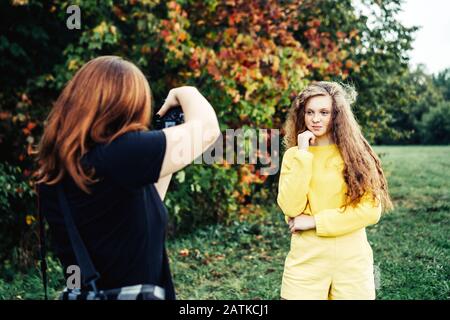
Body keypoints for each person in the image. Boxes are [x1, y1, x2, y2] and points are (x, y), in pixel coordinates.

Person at [35, 55, 220, 299]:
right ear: (129, 105)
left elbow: (142, 209)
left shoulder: (60, 166)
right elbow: (208, 130)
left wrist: (168, 138)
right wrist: (188, 92)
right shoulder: (120, 154)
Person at [277, 81, 393, 300]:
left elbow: (370, 211)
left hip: (351, 262)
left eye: (324, 112)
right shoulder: (294, 155)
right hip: (306, 259)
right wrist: (303, 154)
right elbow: (290, 206)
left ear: (337, 115)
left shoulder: (357, 156)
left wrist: (314, 221)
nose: (315, 119)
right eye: (309, 112)